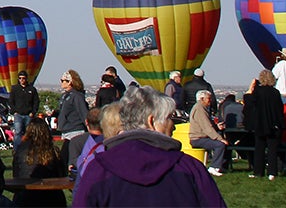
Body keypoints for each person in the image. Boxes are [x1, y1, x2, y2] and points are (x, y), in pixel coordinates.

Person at [75, 87, 225, 207]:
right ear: (152, 121)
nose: (173, 126)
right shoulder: (189, 168)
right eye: (169, 118)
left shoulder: (99, 168)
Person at [12, 117, 67, 207]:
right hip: (50, 197)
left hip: (25, 196)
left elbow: (16, 173)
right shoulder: (52, 150)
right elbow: (61, 174)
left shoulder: (20, 149)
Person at [242, 69, 284, 181]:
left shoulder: (258, 91)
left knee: (259, 148)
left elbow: (249, 101)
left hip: (260, 124)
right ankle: (272, 172)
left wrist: (251, 88)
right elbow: (279, 109)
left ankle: (258, 171)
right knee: (272, 149)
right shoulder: (275, 93)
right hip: (273, 124)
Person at [187, 88, 230, 177]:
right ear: (202, 99)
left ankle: (221, 166)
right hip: (198, 138)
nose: (210, 101)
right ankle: (214, 167)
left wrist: (217, 127)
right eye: (208, 99)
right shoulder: (200, 109)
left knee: (222, 143)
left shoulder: (200, 108)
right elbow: (207, 127)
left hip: (200, 137)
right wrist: (220, 139)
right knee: (220, 145)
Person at [56, 70, 89, 169]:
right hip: (67, 129)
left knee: (69, 159)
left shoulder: (77, 97)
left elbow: (84, 113)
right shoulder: (65, 96)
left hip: (75, 130)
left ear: (70, 82)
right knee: (65, 159)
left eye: (63, 80)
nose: (61, 82)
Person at [8, 71, 38, 147]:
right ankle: (17, 149)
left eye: (23, 78)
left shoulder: (32, 89)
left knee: (28, 132)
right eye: (20, 78)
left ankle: (27, 148)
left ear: (26, 79)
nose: (22, 80)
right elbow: (11, 101)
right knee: (18, 132)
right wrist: (14, 111)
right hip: (18, 114)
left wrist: (33, 112)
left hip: (28, 115)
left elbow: (36, 101)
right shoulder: (15, 89)